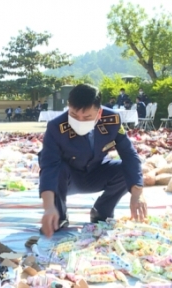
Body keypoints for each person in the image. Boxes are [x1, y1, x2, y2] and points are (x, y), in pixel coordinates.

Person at [38, 84, 146, 238]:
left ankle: (101, 211)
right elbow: (49, 167)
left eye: (87, 117)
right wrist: (48, 207)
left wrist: (137, 194)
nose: (80, 121)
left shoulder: (112, 120)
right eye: (74, 115)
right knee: (59, 169)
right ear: (68, 107)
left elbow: (130, 155)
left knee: (125, 170)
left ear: (99, 112)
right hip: (67, 178)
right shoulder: (56, 127)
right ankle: (58, 216)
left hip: (95, 172)